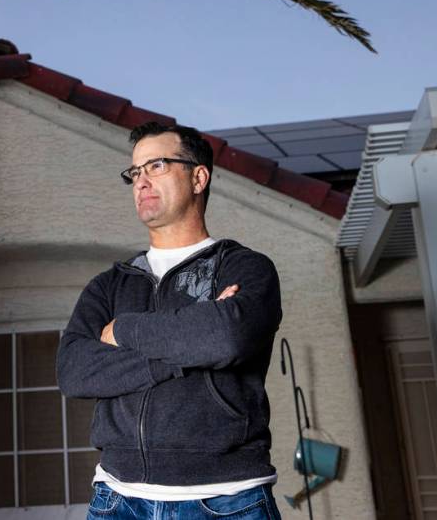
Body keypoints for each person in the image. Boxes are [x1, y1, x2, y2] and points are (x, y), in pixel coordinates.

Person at [56, 121, 283, 519]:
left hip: (226, 500)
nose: (141, 181)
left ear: (198, 177)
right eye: (135, 172)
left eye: (157, 165)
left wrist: (123, 330)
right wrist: (193, 339)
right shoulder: (109, 285)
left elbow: (227, 338)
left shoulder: (245, 267)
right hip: (117, 499)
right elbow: (75, 371)